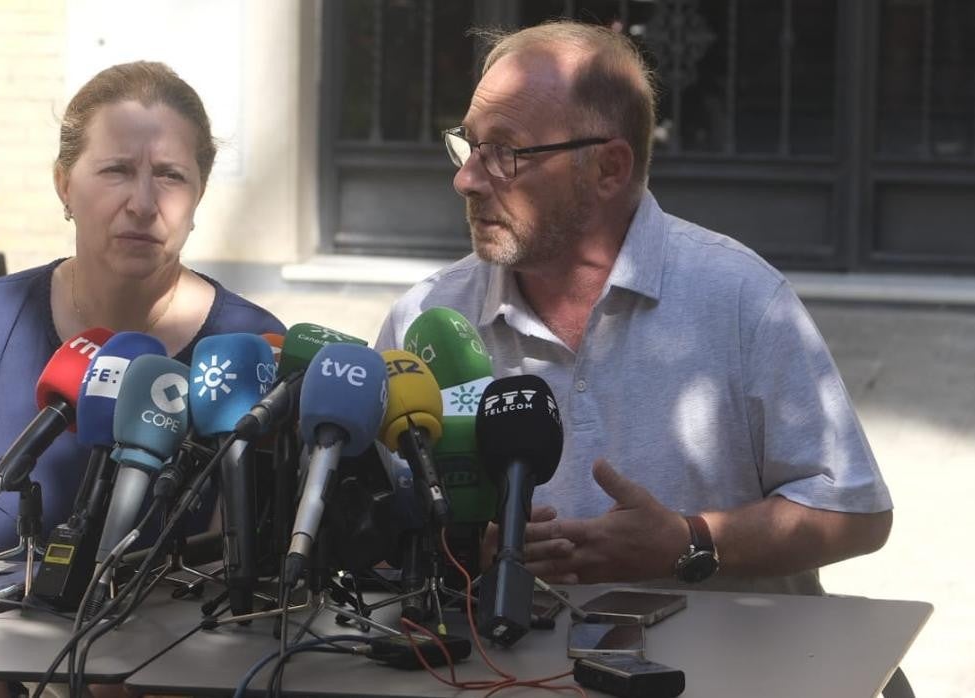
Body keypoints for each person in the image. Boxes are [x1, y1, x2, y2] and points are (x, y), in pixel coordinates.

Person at [376, 22, 892, 595]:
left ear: (608, 169)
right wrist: (467, 551)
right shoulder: (427, 319)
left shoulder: (741, 297)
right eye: (469, 144)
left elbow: (854, 514)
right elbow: (376, 522)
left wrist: (688, 541)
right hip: (501, 677)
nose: (466, 178)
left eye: (504, 153)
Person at [0, 61, 285, 562]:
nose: (144, 203)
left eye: (171, 176)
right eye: (117, 171)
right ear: (65, 184)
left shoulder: (254, 348)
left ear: (199, 195)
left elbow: (236, 593)